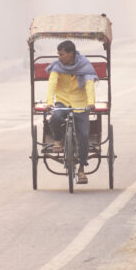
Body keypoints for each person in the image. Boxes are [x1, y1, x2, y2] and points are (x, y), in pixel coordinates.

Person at [46, 40, 97, 185]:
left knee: (84, 134)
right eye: (58, 54)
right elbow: (52, 84)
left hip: (80, 104)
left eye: (61, 54)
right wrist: (49, 102)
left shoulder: (84, 66)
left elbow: (89, 83)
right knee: (55, 118)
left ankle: (82, 168)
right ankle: (58, 139)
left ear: (70, 54)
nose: (59, 57)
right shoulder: (57, 67)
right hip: (62, 101)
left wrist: (91, 102)